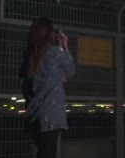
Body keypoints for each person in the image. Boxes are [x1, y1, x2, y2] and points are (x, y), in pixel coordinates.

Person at [20, 17, 76, 158]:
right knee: (48, 153)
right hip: (50, 115)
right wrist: (65, 46)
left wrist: (59, 76)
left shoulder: (30, 55)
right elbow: (71, 70)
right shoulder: (55, 52)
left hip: (35, 114)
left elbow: (54, 75)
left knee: (42, 152)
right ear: (50, 33)